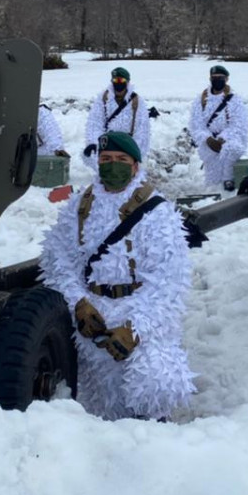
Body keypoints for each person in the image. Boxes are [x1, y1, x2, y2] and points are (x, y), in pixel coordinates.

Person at [39, 132, 195, 421]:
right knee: (101, 399)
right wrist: (78, 304)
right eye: (106, 159)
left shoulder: (157, 211)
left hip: (140, 311)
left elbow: (169, 283)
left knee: (156, 380)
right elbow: (58, 260)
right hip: (93, 311)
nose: (113, 165)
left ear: (135, 166)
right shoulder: (80, 205)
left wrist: (135, 328)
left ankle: (155, 425)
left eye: (121, 160)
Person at [188, 64, 248, 190]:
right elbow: (196, 125)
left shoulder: (235, 100)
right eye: (214, 77)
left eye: (220, 77)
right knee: (213, 184)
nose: (217, 80)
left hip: (229, 141)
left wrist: (223, 138)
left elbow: (239, 125)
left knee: (232, 149)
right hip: (209, 145)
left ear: (226, 79)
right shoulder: (201, 100)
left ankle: (229, 180)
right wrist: (208, 139)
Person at [83, 67, 152, 169]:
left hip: (128, 144)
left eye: (121, 80)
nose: (118, 83)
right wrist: (94, 143)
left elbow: (142, 130)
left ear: (127, 82)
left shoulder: (137, 102)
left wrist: (136, 151)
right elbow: (94, 123)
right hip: (108, 144)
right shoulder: (103, 99)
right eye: (115, 80)